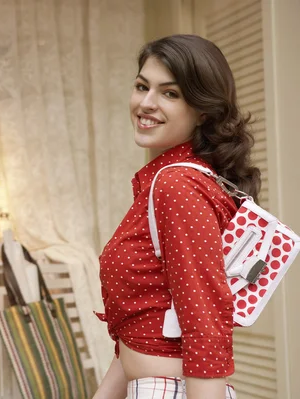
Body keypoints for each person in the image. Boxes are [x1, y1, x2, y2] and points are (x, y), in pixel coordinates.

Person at [93, 34, 261, 399]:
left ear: (203, 110)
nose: (146, 103)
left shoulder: (177, 185)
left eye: (170, 93)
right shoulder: (162, 182)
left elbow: (205, 319)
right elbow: (145, 324)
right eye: (142, 87)